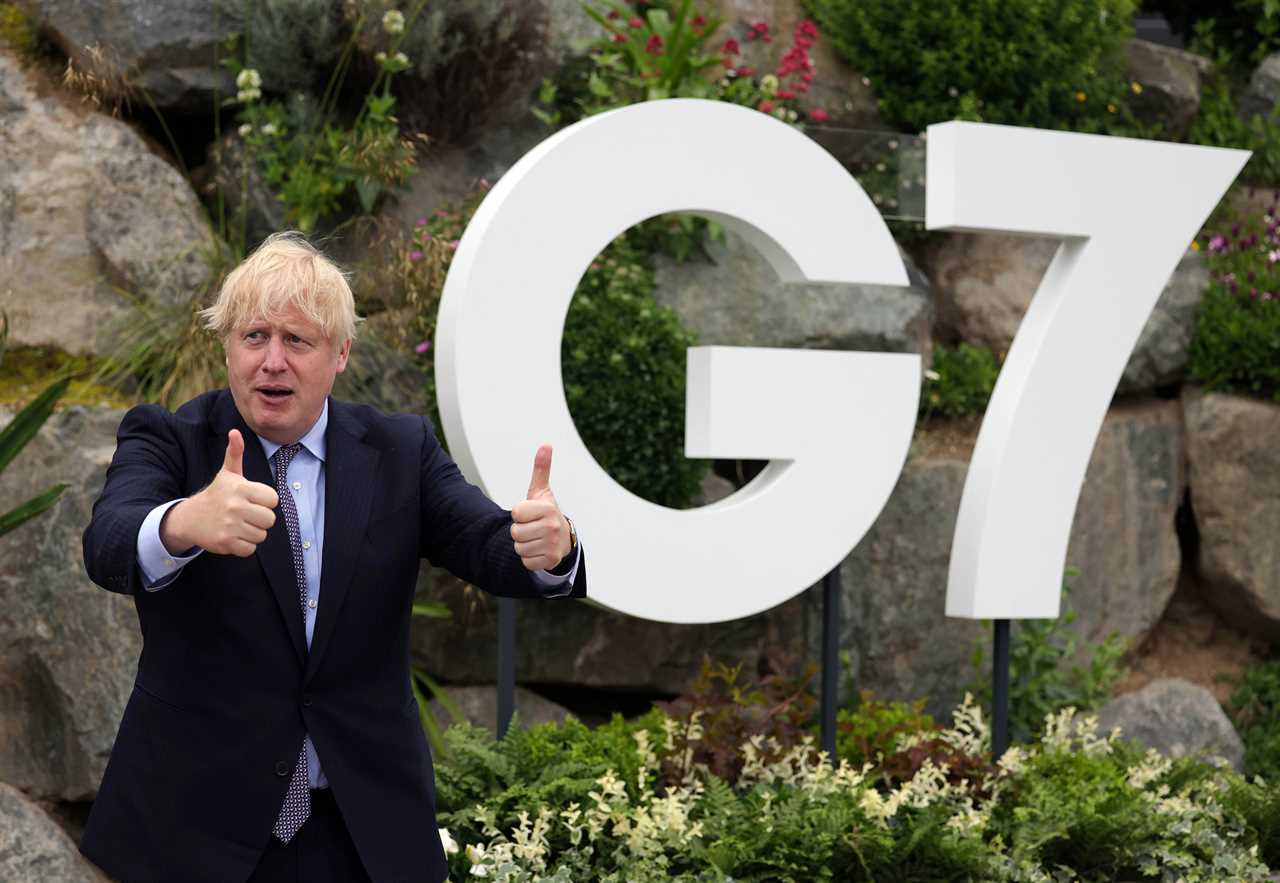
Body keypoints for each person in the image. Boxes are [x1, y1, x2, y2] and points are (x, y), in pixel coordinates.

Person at [79, 232, 586, 883]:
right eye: (254, 336)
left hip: (361, 830)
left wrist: (550, 549)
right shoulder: (169, 438)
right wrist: (184, 522)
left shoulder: (400, 449)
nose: (272, 361)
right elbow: (110, 541)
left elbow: (486, 541)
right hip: (196, 830)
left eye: (297, 340)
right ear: (226, 345)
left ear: (341, 352)